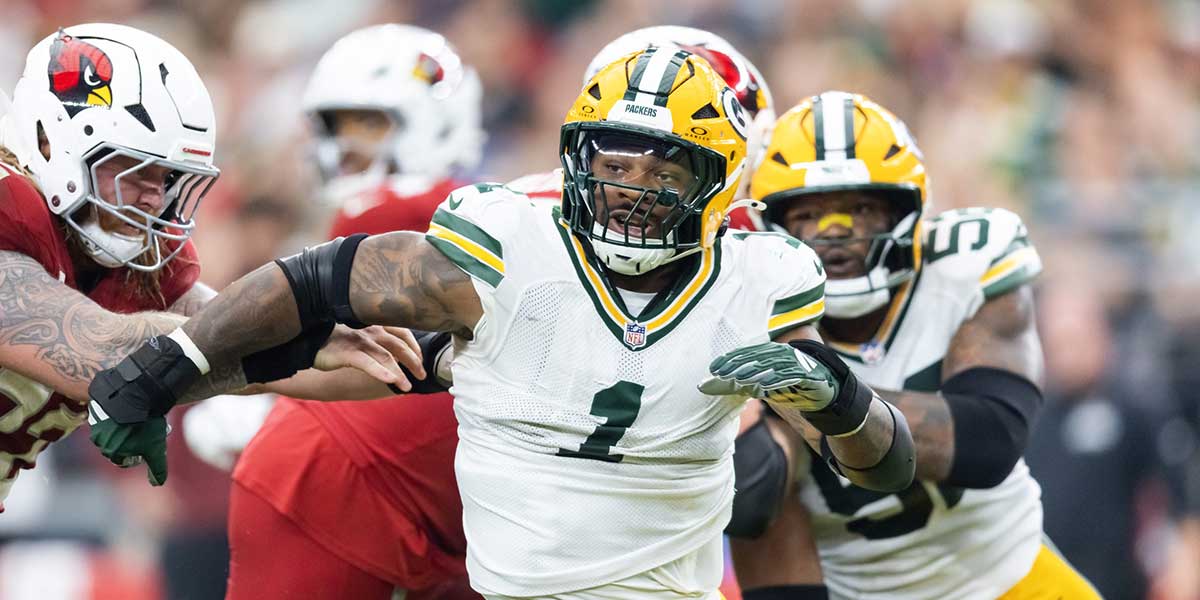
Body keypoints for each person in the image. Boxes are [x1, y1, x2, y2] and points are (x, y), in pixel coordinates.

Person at [88, 51, 915, 599]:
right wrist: (172, 367)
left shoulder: (760, 282)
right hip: (433, 547)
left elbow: (879, 468)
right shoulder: (509, 247)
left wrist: (840, 403)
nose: (630, 189)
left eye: (664, 167)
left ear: (720, 175)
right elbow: (317, 281)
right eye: (612, 164)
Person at [0, 23, 422, 511]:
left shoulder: (132, 261)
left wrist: (435, 362)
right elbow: (105, 351)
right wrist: (306, 305)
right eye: (131, 169)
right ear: (49, 143)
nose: (154, 198)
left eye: (168, 178)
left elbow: (256, 348)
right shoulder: (11, 210)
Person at [732, 91, 1100, 599]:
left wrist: (821, 399)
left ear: (904, 208)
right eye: (809, 214)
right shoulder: (750, 316)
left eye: (859, 207)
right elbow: (753, 508)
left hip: (1005, 574)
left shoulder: (967, 263)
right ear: (771, 225)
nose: (836, 233)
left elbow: (989, 439)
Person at [202, 24, 483, 600]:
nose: (345, 146)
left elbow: (384, 363)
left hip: (379, 496)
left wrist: (269, 409)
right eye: (334, 126)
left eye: (369, 122)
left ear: (440, 116)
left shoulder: (405, 211)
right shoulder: (465, 214)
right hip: (432, 511)